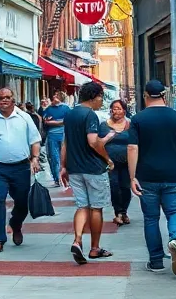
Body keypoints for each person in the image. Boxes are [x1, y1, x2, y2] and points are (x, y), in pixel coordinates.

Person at [128, 80, 176, 275]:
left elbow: (132, 148)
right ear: (164, 96)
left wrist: (132, 176)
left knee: (151, 218)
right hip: (173, 175)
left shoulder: (138, 119)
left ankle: (156, 261)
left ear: (146, 96)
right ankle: (175, 240)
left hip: (147, 176)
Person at [0, 87, 41, 255]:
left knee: (22, 203)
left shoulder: (24, 118)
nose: (4, 100)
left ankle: (16, 224)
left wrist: (35, 159)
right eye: (1, 97)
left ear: (13, 100)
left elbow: (35, 140)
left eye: (7, 97)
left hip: (21, 167)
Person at [61, 82, 116, 264]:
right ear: (94, 97)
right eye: (101, 97)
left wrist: (63, 166)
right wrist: (107, 158)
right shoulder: (90, 115)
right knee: (96, 207)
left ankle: (77, 240)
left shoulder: (69, 114)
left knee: (82, 206)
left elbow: (65, 143)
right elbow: (93, 141)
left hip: (75, 168)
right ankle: (94, 248)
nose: (101, 101)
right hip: (93, 168)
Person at [106, 99, 133, 225]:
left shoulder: (130, 125)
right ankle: (118, 213)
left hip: (127, 161)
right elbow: (98, 143)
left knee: (126, 187)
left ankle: (124, 211)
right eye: (114, 108)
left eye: (119, 108)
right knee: (114, 186)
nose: (116, 111)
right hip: (110, 162)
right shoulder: (104, 125)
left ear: (124, 110)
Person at [41, 90, 70, 187]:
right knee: (54, 157)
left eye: (57, 95)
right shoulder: (49, 109)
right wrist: (60, 122)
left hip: (63, 134)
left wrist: (53, 122)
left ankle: (65, 177)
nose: (54, 96)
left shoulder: (66, 108)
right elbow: (45, 121)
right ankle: (57, 178)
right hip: (52, 136)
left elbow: (67, 121)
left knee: (64, 157)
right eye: (54, 95)